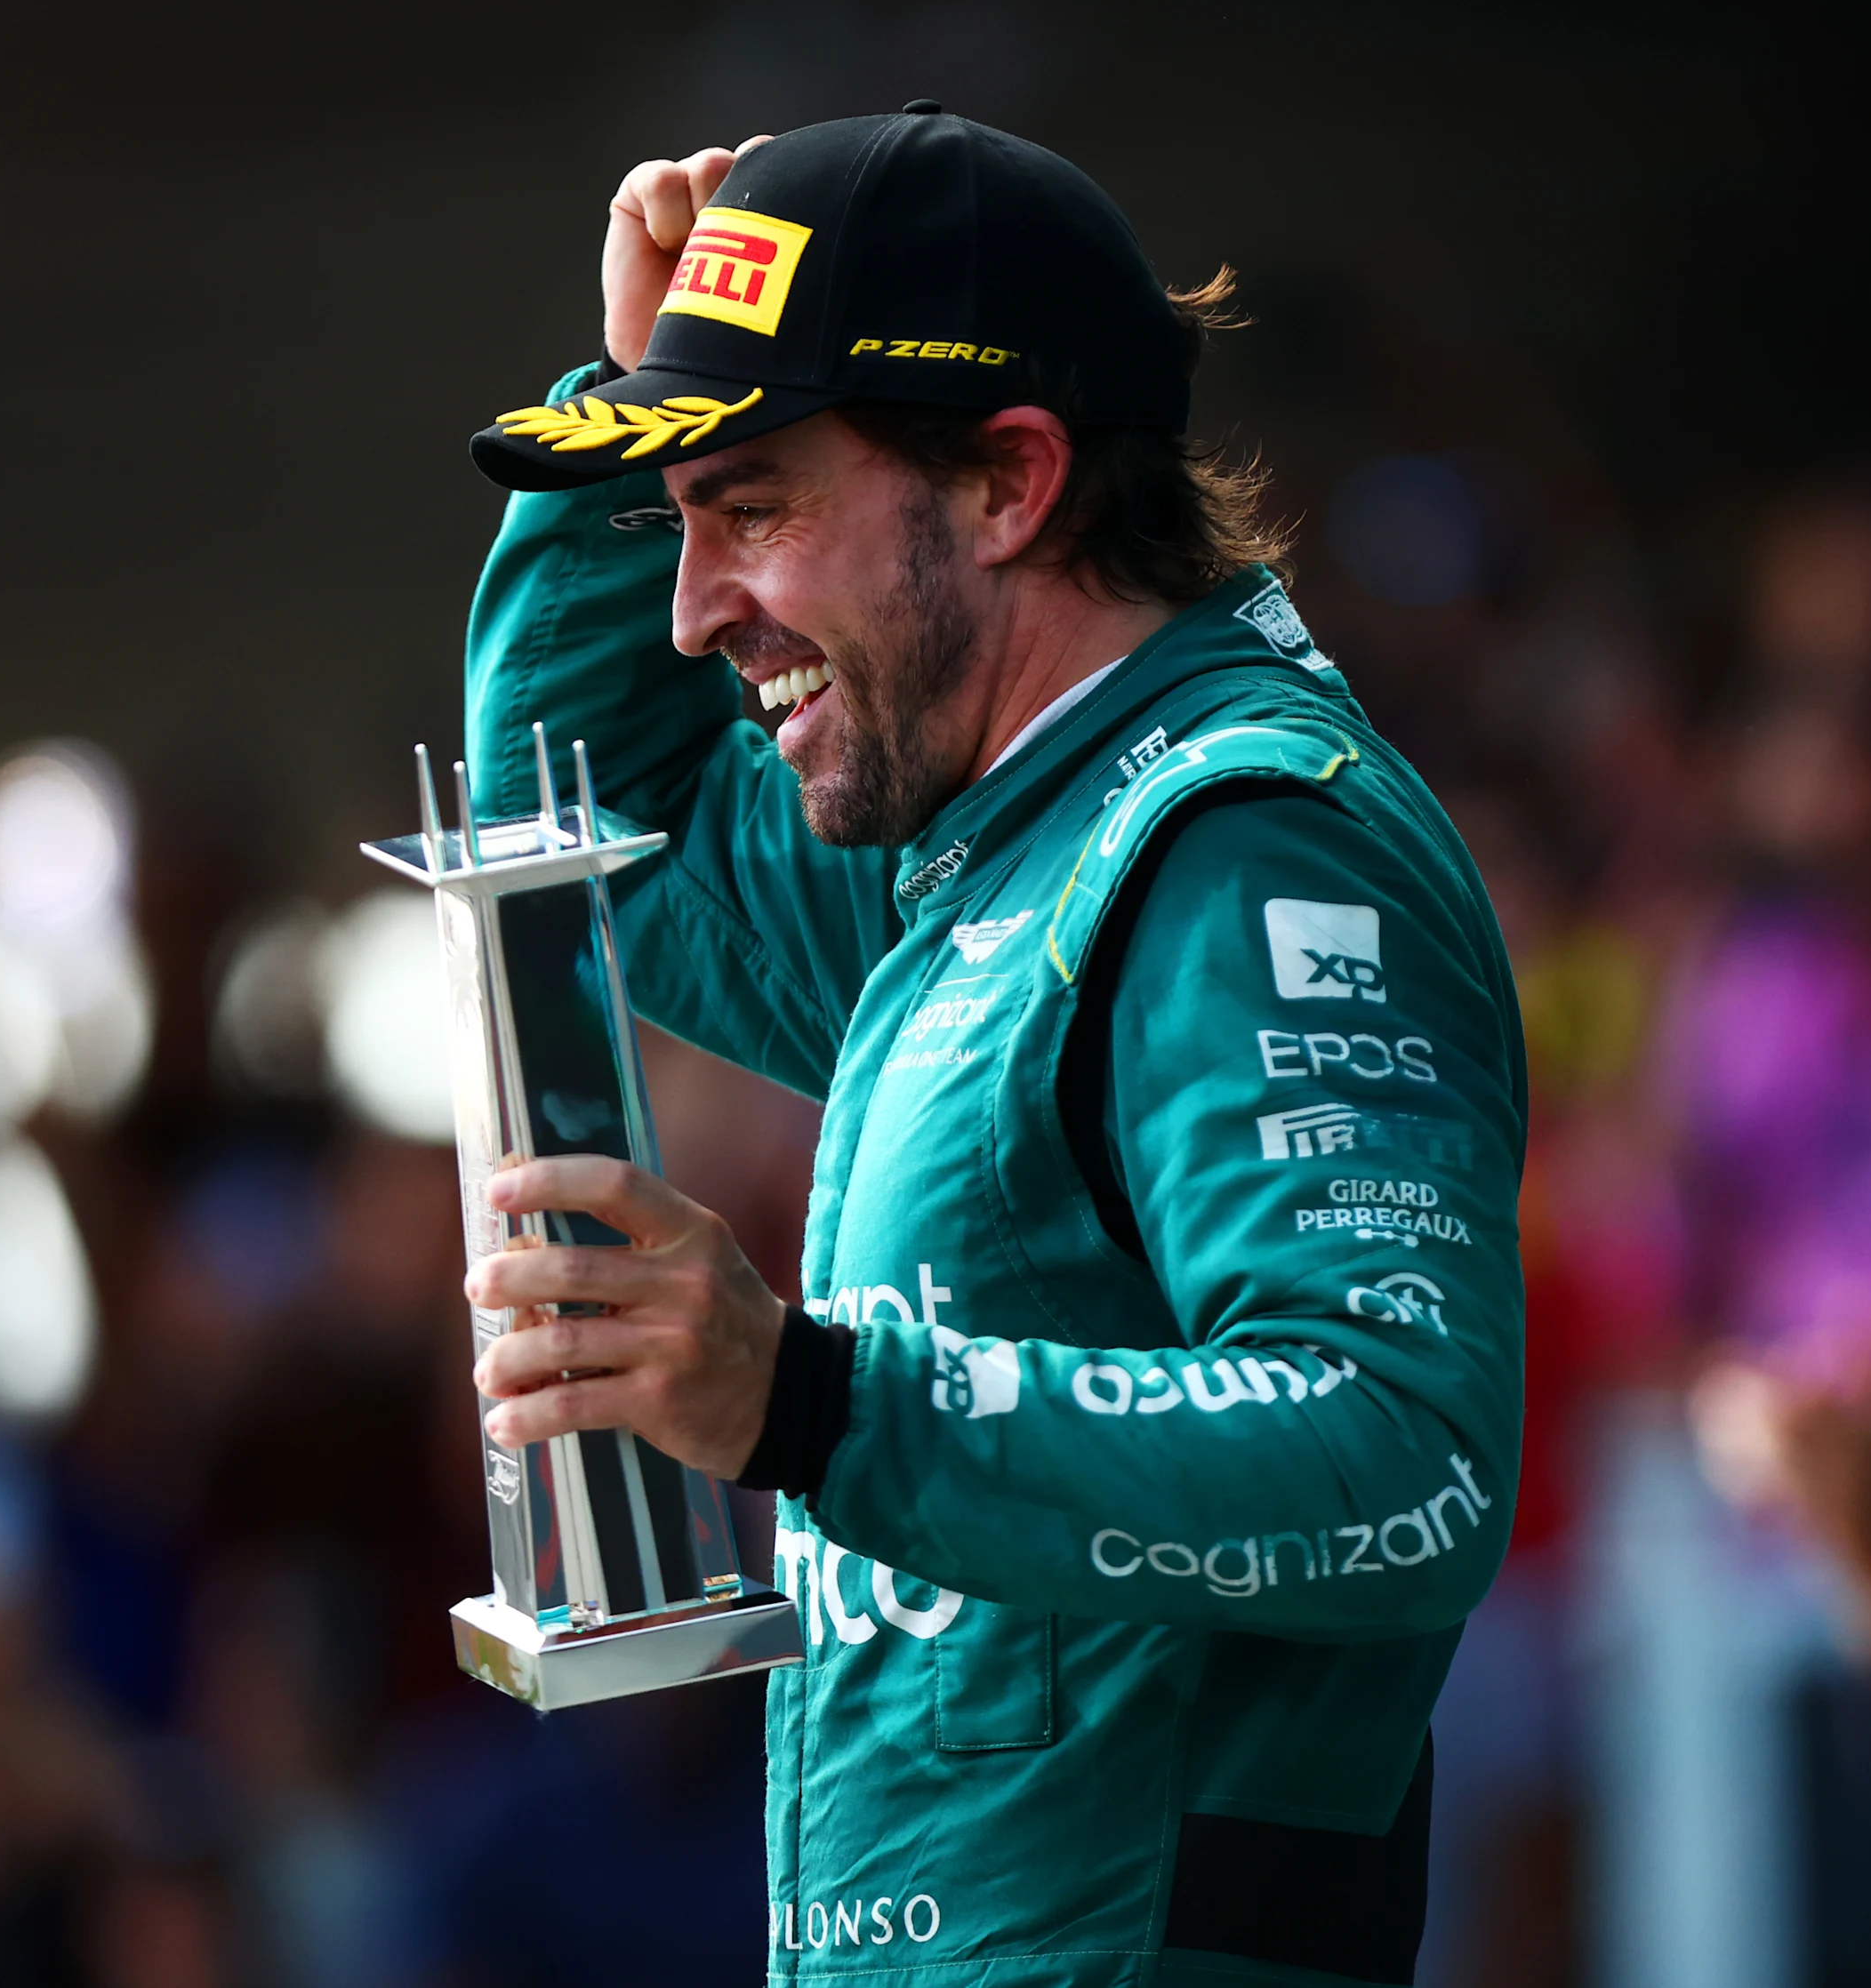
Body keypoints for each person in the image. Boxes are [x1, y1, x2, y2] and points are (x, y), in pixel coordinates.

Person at [453, 108, 1526, 1985]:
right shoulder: (980, 854)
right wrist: (636, 412)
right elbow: (581, 827)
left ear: (1008, 485)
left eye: (750, 506)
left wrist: (813, 1405)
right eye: (678, 521)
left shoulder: (1236, 840)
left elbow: (1401, 1453)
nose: (693, 608)